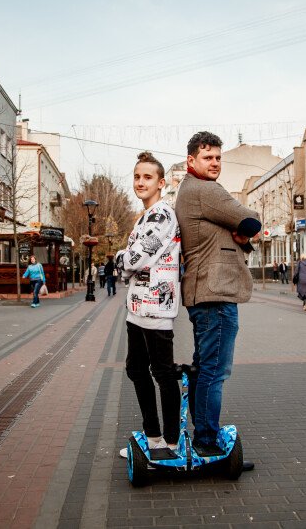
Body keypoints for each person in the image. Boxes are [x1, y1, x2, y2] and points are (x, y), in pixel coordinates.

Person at [174, 131, 260, 467]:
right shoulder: (205, 190)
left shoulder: (190, 189)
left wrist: (241, 234)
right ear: (191, 160)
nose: (214, 163)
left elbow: (241, 229)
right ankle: (206, 443)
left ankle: (203, 436)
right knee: (214, 371)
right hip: (215, 293)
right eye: (207, 157)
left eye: (218, 158)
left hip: (204, 292)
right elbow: (250, 219)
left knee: (204, 367)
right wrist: (243, 230)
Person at [116, 151, 182, 458]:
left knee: (163, 374)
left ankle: (171, 441)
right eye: (136, 177)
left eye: (147, 177)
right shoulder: (144, 217)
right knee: (136, 369)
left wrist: (120, 259)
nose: (140, 182)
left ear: (161, 183)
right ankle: (153, 437)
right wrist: (128, 262)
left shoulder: (162, 215)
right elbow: (135, 261)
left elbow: (134, 258)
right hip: (137, 309)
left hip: (157, 308)